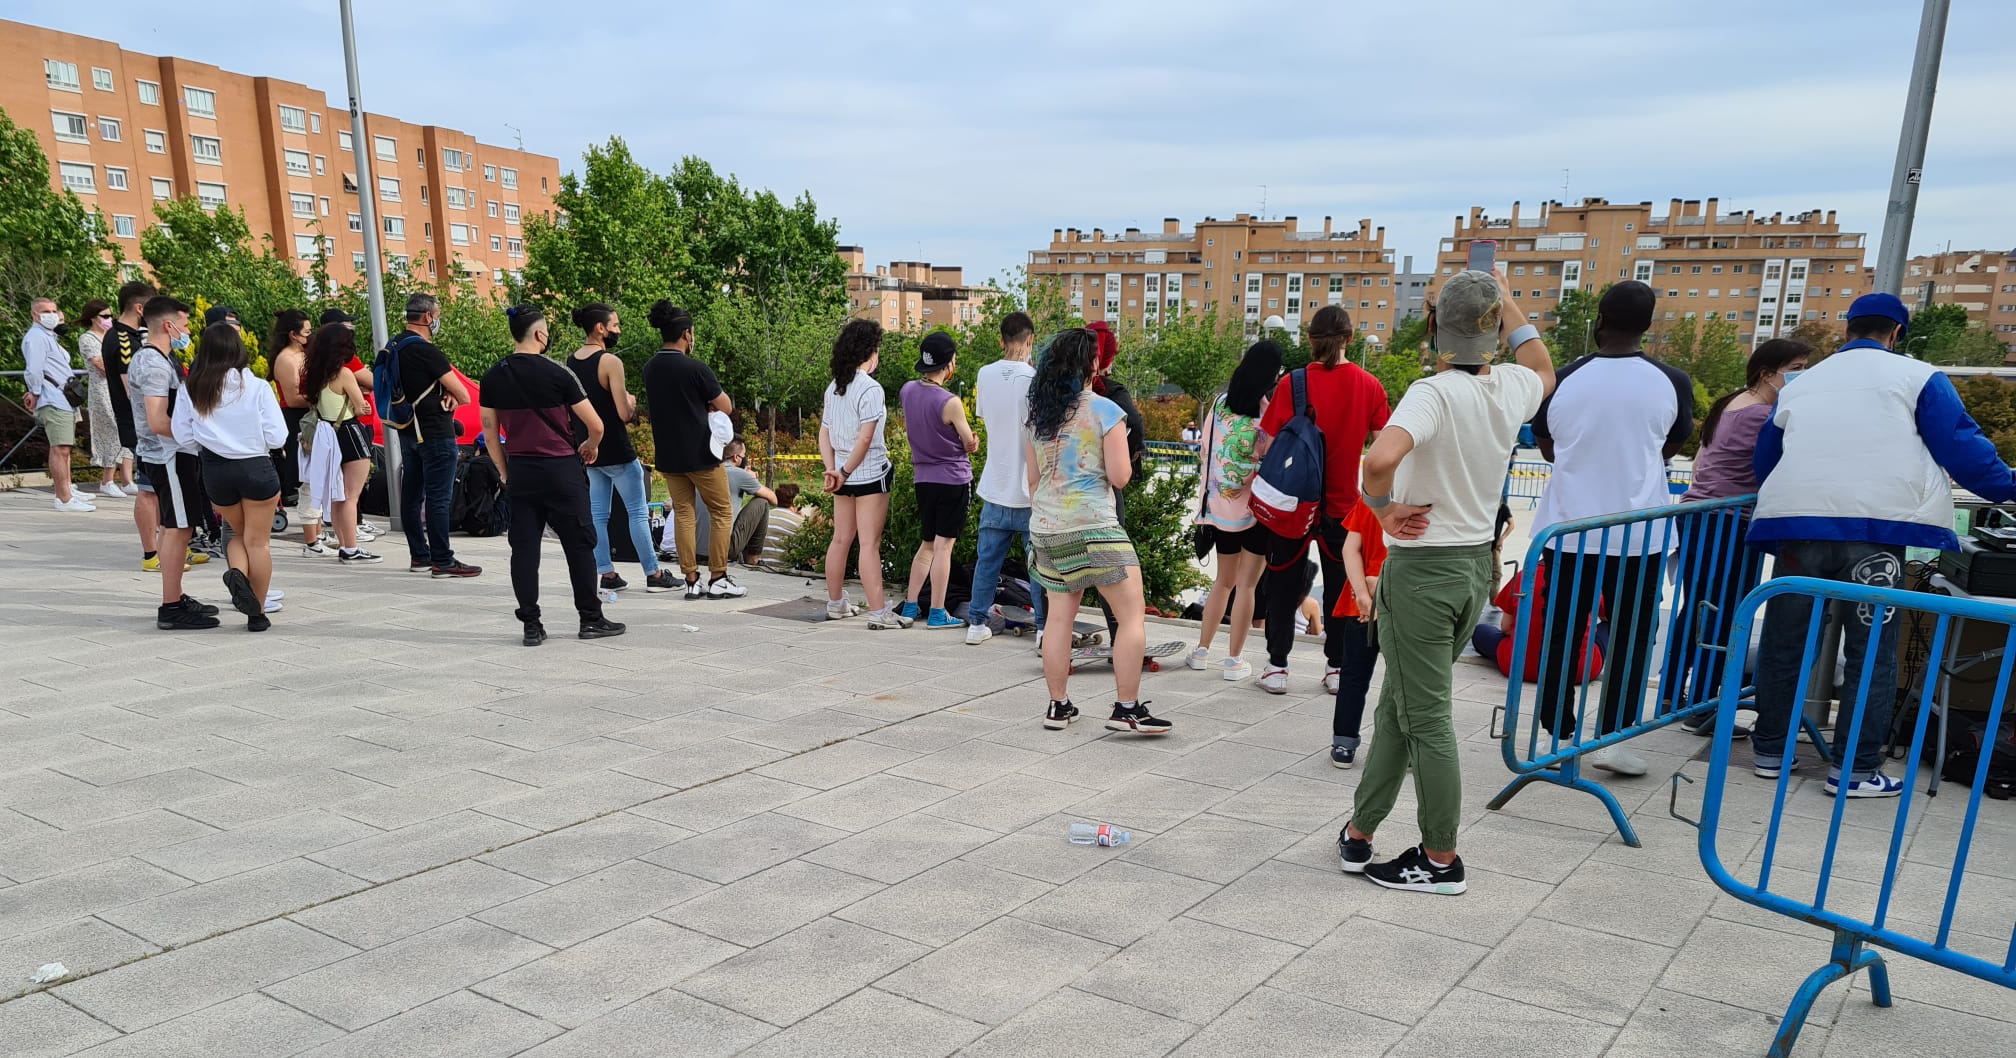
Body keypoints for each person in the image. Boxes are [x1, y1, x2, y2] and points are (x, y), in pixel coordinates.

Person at [1748, 292, 2016, 798]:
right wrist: (2006, 486)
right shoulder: (1918, 377)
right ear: (1897, 333)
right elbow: (1962, 447)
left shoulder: (1803, 382)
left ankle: (1769, 752)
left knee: (1785, 641)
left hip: (1798, 522)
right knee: (1871, 650)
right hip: (1877, 529)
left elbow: (1769, 455)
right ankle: (1853, 770)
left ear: (1847, 330)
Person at [1342, 269, 1554, 895]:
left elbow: (1379, 458)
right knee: (1397, 708)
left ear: (1435, 328)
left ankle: (1440, 859)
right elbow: (1542, 365)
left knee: (1426, 718)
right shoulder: (1513, 387)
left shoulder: (1431, 393)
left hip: (1424, 571)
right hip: (1471, 568)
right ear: (1492, 328)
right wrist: (1507, 302)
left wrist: (1378, 509)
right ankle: (1361, 832)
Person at [1527, 280, 1694, 779]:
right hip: (1638, 532)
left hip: (1569, 527)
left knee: (1562, 627)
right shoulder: (1672, 380)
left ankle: (1556, 728)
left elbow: (1548, 447)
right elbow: (1670, 444)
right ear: (1648, 325)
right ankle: (1616, 735)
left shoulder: (1562, 378)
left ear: (1598, 320)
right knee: (1634, 635)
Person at [1026, 327, 1171, 735]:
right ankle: (1126, 709)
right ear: (1092, 364)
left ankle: (1058, 706)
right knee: (1131, 616)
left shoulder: (1038, 417)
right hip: (1095, 529)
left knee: (1058, 618)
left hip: (1048, 530)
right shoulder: (1106, 411)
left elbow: (1032, 482)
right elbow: (1122, 477)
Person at [1669, 338, 1809, 733]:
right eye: (1795, 367)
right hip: (1728, 521)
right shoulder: (1761, 414)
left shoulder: (1732, 402)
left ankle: (1673, 696)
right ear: (1768, 373)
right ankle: (1703, 705)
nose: (1801, 375)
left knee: (1698, 606)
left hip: (1702, 516)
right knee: (1724, 612)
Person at [1255, 305, 1393, 695]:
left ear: (1310, 340)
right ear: (1350, 338)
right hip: (1345, 507)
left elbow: (1263, 445)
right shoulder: (1370, 386)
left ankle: (1278, 667)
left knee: (1281, 585)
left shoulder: (1291, 385)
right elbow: (1383, 449)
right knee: (1340, 588)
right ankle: (1335, 667)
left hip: (1293, 505)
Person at [480, 305, 626, 646]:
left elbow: (490, 433)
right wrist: (591, 446)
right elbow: (597, 425)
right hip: (561, 470)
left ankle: (531, 624)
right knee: (579, 544)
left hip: (521, 471)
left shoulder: (493, 376)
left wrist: (505, 471)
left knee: (525, 549)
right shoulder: (559, 373)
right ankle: (590, 618)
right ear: (540, 334)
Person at [172, 321, 286, 631]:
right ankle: (257, 614)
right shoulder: (258, 386)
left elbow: (182, 436)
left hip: (216, 469)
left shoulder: (192, 388)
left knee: (237, 534)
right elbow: (278, 436)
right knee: (258, 543)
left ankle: (237, 572)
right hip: (256, 467)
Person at [1187, 339, 1281, 681]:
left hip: (1220, 511)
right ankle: (1233, 661)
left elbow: (1204, 450)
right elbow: (1270, 460)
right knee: (1247, 586)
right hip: (1255, 511)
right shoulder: (1266, 411)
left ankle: (1201, 651)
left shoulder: (1220, 403)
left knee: (1222, 582)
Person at [568, 303, 676, 594]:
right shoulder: (610, 362)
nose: (618, 330)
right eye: (614, 325)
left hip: (590, 449)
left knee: (598, 515)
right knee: (638, 513)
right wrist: (630, 400)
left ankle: (607, 573)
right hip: (616, 446)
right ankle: (653, 573)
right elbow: (623, 413)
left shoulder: (572, 361)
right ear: (600, 328)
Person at [641, 301, 745, 600]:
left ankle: (691, 579)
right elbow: (725, 405)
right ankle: (718, 576)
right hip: (702, 453)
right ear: (686, 334)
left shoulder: (650, 368)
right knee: (722, 511)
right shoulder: (696, 368)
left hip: (669, 455)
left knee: (684, 514)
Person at [130, 296, 222, 630]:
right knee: (179, 527)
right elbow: (157, 420)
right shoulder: (153, 363)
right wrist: (201, 438)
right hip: (167, 454)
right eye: (183, 324)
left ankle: (175, 596)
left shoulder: (155, 359)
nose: (186, 331)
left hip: (170, 453)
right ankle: (170, 606)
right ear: (168, 325)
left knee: (174, 525)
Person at [965, 311, 1047, 646]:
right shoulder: (1036, 380)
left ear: (1001, 340)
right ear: (1030, 341)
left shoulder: (984, 374)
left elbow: (987, 418)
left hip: (994, 486)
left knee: (987, 561)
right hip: (1030, 491)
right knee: (1039, 567)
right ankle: (1044, 630)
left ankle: (976, 623)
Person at [383, 293, 479, 578]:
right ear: (427, 317)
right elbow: (463, 393)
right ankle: (443, 560)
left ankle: (420, 556)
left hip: (407, 430)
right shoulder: (426, 350)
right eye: (437, 316)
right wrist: (451, 392)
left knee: (411, 495)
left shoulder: (394, 345)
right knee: (438, 496)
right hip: (435, 431)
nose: (437, 321)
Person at [820, 319, 907, 627]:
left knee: (841, 539)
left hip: (841, 475)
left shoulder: (834, 386)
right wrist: (843, 470)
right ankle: (880, 610)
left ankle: (835, 602)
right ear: (870, 352)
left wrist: (833, 470)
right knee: (869, 544)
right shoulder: (871, 389)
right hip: (869, 473)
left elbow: (824, 432)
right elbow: (867, 438)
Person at [898, 332, 979, 630]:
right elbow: (968, 441)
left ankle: (909, 605)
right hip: (953, 480)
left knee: (927, 544)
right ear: (949, 364)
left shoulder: (907, 391)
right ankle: (937, 611)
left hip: (924, 479)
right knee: (945, 547)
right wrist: (975, 443)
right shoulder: (950, 401)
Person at [1084, 321, 1152, 664]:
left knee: (1065, 589)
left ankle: (1049, 637)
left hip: (1057, 506)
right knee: (1116, 576)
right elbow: (1135, 425)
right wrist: (1128, 459)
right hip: (1101, 497)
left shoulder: (1054, 394)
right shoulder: (1111, 395)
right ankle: (1121, 645)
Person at [299, 323, 382, 564]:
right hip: (350, 432)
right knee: (351, 495)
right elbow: (360, 407)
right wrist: (362, 399)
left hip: (328, 433)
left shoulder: (314, 373)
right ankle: (352, 547)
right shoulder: (344, 373)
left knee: (337, 495)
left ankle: (344, 544)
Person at [107, 282, 170, 567]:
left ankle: (169, 545)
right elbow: (133, 386)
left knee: (155, 487)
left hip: (144, 421)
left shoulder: (133, 336)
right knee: (148, 488)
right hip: (138, 421)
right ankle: (152, 552)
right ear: (140, 308)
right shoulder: (122, 338)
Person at [1327, 498, 1386, 767]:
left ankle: (1344, 742)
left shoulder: (1371, 499)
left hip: (1359, 603)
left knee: (1353, 676)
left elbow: (1350, 548)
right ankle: (1401, 746)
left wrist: (1362, 593)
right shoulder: (1420, 502)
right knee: (1405, 681)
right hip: (1404, 602)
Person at [21, 297, 92, 511]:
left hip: (62, 396)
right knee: (60, 448)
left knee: (63, 447)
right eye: (46, 311)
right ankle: (64, 498)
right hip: (53, 396)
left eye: (53, 310)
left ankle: (66, 493)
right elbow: (34, 369)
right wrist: (34, 391)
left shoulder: (47, 336)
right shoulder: (36, 338)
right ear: (34, 314)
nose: (52, 314)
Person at [672, 439, 779, 566]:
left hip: (692, 550)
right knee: (762, 503)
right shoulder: (738, 474)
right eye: (744, 456)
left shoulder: (701, 473)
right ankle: (753, 559)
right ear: (736, 457)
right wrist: (751, 479)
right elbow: (773, 499)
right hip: (723, 550)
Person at [76, 298, 137, 499]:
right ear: (93, 318)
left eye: (111, 316)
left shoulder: (114, 336)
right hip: (102, 391)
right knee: (111, 431)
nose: (109, 319)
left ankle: (127, 479)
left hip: (120, 388)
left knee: (127, 428)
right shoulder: (88, 339)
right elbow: (102, 365)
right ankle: (107, 479)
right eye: (104, 316)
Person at [268, 309, 313, 513]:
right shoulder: (286, 359)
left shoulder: (304, 354)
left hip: (309, 414)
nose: (309, 336)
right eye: (306, 333)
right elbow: (293, 398)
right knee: (299, 471)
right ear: (293, 334)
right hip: (295, 417)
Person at [746, 483, 806, 568]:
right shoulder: (800, 522)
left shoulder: (765, 516)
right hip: (787, 569)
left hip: (759, 566)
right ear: (795, 502)